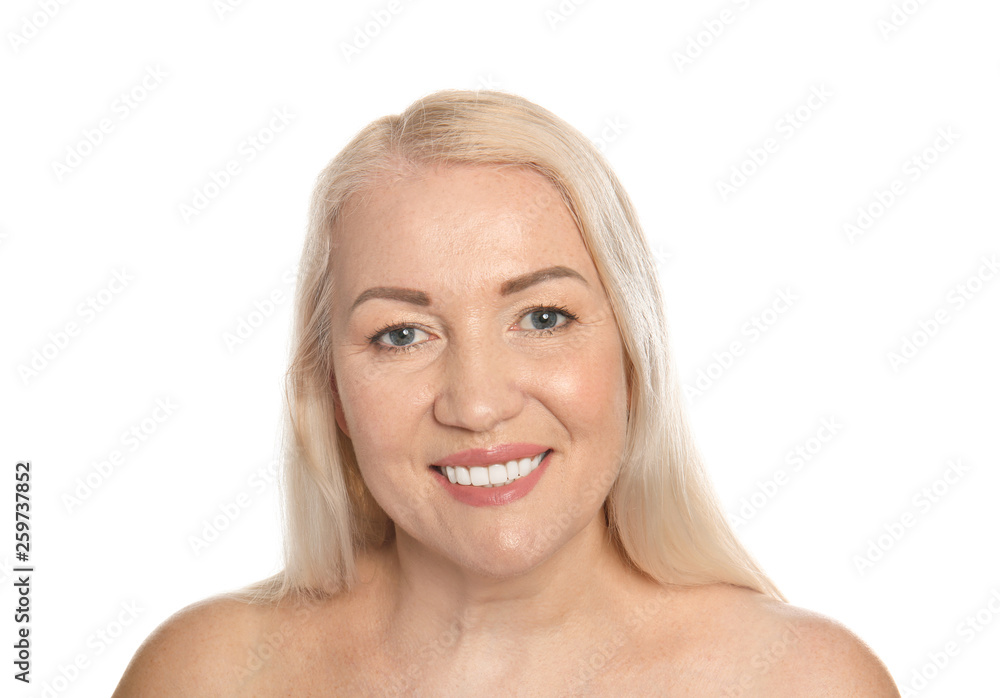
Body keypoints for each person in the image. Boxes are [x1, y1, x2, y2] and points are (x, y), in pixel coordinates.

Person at [112, 90, 900, 696]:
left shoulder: (800, 683)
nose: (478, 403)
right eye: (402, 334)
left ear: (632, 352)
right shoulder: (205, 676)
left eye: (543, 316)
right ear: (331, 391)